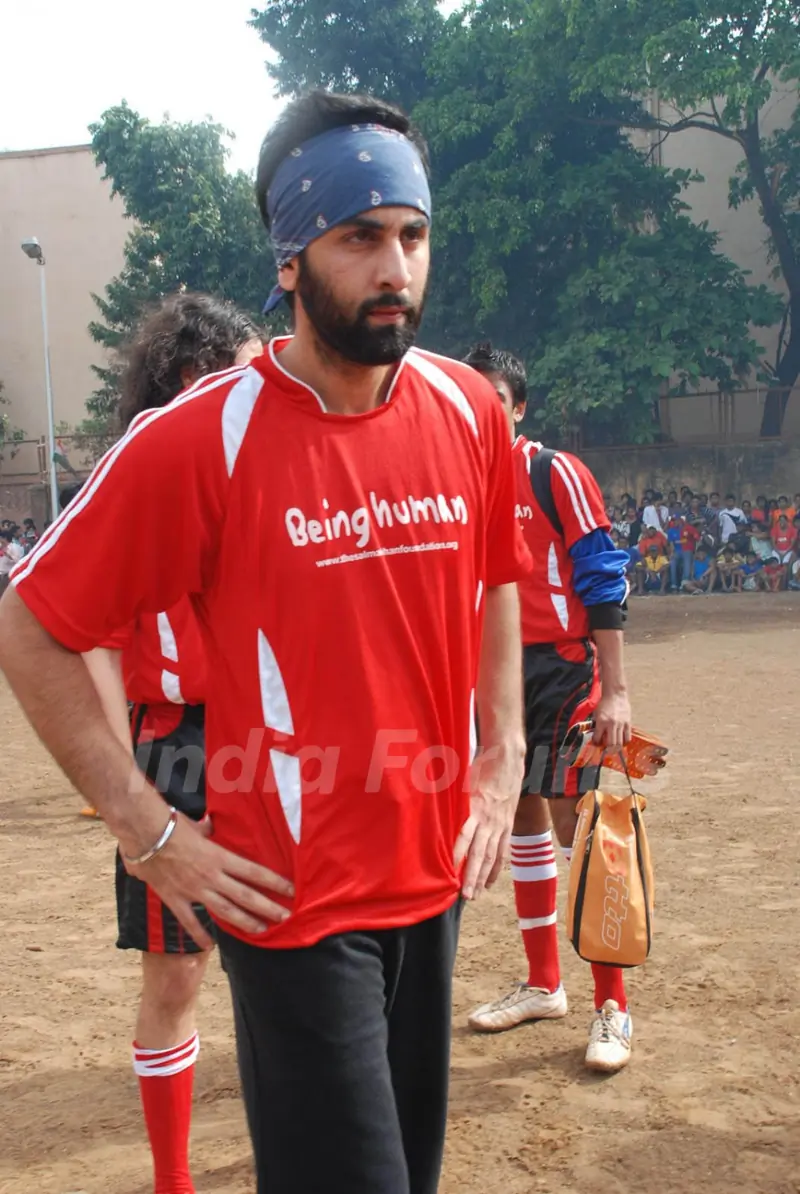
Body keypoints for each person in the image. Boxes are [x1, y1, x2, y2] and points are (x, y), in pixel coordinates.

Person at [0, 89, 530, 1194]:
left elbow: (493, 577)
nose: (395, 266)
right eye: (358, 237)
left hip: (431, 881)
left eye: (412, 236)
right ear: (291, 258)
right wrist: (144, 829)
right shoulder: (201, 440)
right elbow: (31, 624)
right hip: (288, 906)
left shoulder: (470, 411)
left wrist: (501, 755)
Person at [83, 294, 262, 1194]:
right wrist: (123, 788)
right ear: (195, 378)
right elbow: (84, 639)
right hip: (178, 747)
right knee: (177, 978)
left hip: (275, 742)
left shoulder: (265, 473)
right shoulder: (134, 478)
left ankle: (308, 1139)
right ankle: (173, 1180)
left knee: (294, 961)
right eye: (244, 368)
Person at [462, 342, 634, 1073]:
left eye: (494, 402)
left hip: (565, 670)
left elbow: (600, 574)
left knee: (584, 826)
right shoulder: (454, 481)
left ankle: (613, 1007)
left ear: (518, 407)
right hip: (493, 673)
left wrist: (617, 689)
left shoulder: (551, 471)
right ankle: (542, 984)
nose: (481, 416)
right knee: (521, 816)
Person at [0, 528, 24, 595]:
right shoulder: (1, 547)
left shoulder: (14, 547)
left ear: (4, 538)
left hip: (8, 574)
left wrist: (7, 554)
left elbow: (17, 560)